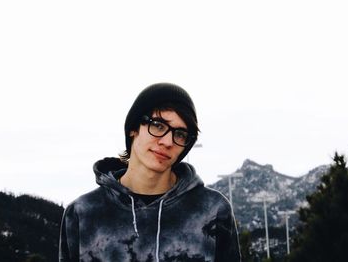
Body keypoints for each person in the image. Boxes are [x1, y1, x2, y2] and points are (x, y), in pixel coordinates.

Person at [59, 83, 241, 262]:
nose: (168, 141)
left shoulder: (212, 209)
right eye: (159, 126)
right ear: (133, 129)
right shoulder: (83, 212)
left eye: (180, 134)